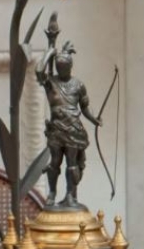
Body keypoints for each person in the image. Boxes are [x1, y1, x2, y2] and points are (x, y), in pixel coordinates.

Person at [35, 38, 101, 208]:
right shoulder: (50, 82)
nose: (61, 70)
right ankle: (52, 193)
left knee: (72, 164)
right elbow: (39, 70)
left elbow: (85, 108)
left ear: (70, 67)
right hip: (56, 129)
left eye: (64, 68)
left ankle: (71, 195)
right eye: (59, 67)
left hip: (73, 129)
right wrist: (50, 51)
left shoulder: (78, 85)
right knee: (55, 162)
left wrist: (94, 119)